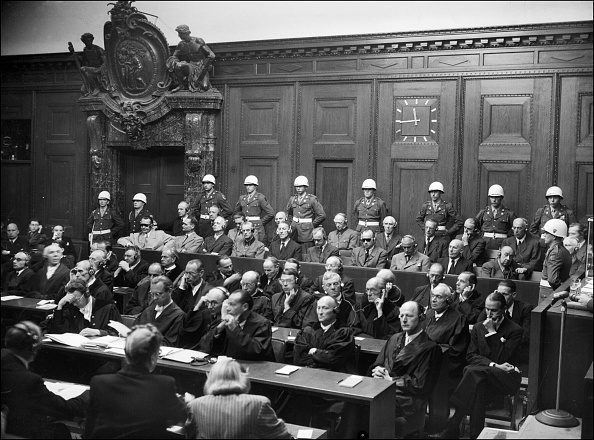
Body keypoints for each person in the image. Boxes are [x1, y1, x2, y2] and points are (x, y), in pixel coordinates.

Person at [435, 293, 523, 439]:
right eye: (487, 309)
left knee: (471, 371)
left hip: (505, 379)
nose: (489, 313)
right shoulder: (478, 327)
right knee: (477, 381)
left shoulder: (515, 330)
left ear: (504, 309)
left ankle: (454, 421)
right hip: (481, 379)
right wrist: (494, 365)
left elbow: (503, 358)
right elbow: (471, 356)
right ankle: (475, 435)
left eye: (493, 310)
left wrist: (492, 333)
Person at [85, 324, 188, 438]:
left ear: (125, 353)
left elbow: (90, 425)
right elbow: (179, 416)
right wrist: (187, 402)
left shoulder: (99, 382)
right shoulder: (164, 384)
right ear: (153, 356)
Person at [1, 321, 89, 438]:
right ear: (33, 348)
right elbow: (64, 409)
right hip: (16, 431)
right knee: (60, 430)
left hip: (8, 422)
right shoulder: (30, 380)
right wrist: (88, 394)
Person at [369, 301, 443, 436]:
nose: (404, 320)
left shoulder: (431, 348)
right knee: (355, 404)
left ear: (421, 318)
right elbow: (378, 363)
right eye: (401, 315)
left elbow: (421, 384)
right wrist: (377, 370)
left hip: (408, 399)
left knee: (373, 407)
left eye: (409, 316)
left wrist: (391, 380)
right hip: (383, 389)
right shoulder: (394, 339)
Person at [187, 358, 290, 439]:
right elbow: (282, 436)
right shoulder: (259, 403)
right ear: (243, 378)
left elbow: (190, 435)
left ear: (210, 379)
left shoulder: (194, 405)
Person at [200, 290, 275, 361]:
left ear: (245, 307)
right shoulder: (224, 320)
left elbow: (257, 351)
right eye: (228, 304)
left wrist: (235, 329)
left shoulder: (262, 323)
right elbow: (204, 345)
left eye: (232, 305)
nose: (228, 308)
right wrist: (218, 331)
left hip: (255, 368)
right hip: (228, 366)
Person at [477, 280, 533, 365]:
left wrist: (500, 340)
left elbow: (524, 336)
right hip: (492, 352)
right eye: (499, 294)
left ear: (513, 295)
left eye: (504, 294)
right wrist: (494, 299)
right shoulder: (492, 308)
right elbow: (480, 322)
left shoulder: (525, 309)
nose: (501, 297)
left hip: (515, 352)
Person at [294, 295, 355, 372]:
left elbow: (334, 359)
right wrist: (320, 356)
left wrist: (314, 351)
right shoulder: (308, 329)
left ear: (336, 310)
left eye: (325, 308)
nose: (320, 312)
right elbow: (299, 357)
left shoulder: (343, 332)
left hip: (334, 376)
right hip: (308, 373)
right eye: (318, 308)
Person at [42, 280, 121, 336]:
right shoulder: (71, 308)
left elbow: (118, 332)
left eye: (77, 300)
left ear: (86, 294)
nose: (75, 304)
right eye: (72, 301)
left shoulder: (107, 307)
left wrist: (98, 332)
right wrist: (60, 305)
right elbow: (59, 331)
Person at [425, 283, 469, 380]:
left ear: (448, 300)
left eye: (438, 297)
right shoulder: (428, 314)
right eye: (432, 296)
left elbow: (456, 350)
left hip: (439, 364)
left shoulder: (459, 319)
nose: (433, 300)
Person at [133, 276, 186, 347]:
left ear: (170, 291)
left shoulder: (179, 316)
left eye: (158, 294)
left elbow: (169, 343)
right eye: (152, 294)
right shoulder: (148, 310)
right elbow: (134, 330)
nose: (154, 298)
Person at [167, 24, 216, 93]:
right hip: (191, 65)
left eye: (180, 34)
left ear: (185, 33)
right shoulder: (181, 45)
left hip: (201, 67)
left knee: (205, 87)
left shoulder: (198, 41)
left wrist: (211, 55)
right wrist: (175, 61)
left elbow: (210, 53)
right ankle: (181, 86)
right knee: (179, 66)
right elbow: (174, 56)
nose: (179, 36)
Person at [286, 175, 326, 250]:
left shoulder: (312, 199)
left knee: (305, 254)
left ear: (305, 187)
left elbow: (322, 215)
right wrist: (292, 224)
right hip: (294, 232)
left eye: (300, 186)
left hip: (306, 233)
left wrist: (312, 225)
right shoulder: (292, 199)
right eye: (297, 186)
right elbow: (289, 214)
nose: (298, 188)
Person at [234, 175, 275, 243]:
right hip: (244, 227)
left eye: (250, 185)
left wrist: (261, 222)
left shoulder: (260, 198)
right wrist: (240, 221)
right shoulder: (242, 198)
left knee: (256, 246)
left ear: (255, 186)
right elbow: (236, 212)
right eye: (246, 185)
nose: (248, 187)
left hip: (256, 227)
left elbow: (271, 213)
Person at [475, 184, 516, 250]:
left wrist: (508, 241)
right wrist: (481, 236)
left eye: (497, 197)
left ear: (502, 198)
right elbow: (474, 226)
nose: (494, 200)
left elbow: (515, 229)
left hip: (502, 244)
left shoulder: (509, 214)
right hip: (484, 244)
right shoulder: (483, 212)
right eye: (492, 197)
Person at [539, 219, 572, 299]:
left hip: (549, 291)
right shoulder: (562, 250)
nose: (544, 235)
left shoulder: (555, 252)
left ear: (554, 236)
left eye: (546, 233)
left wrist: (559, 290)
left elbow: (552, 280)